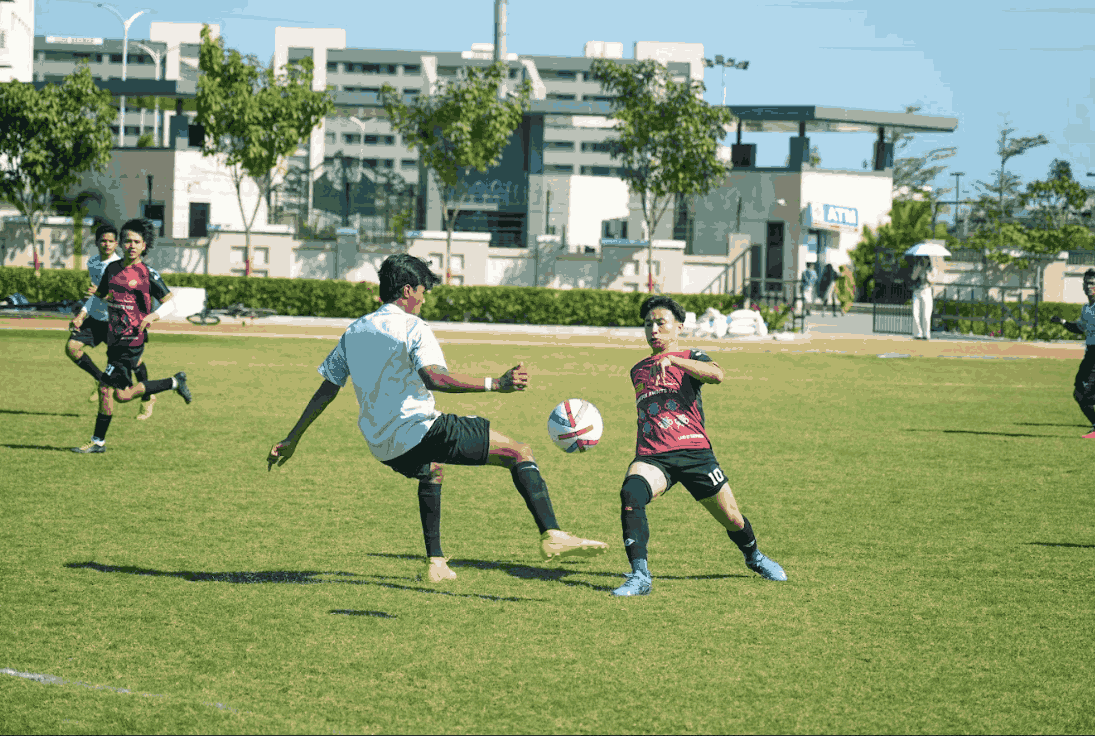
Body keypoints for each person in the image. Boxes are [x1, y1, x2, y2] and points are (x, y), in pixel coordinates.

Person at [266, 253, 608, 583]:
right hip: (422, 430)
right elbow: (435, 377)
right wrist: (496, 384)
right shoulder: (412, 327)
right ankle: (552, 534)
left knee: (431, 472)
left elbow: (328, 388)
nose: (424, 300)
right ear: (407, 291)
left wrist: (293, 437)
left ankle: (436, 564)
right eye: (422, 292)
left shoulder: (354, 332)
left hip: (382, 445)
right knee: (519, 452)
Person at [611, 295, 786, 597]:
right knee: (631, 492)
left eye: (661, 323)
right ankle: (640, 576)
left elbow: (717, 375)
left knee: (732, 518)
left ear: (678, 328)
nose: (653, 329)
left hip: (695, 453)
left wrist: (674, 359)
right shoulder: (637, 369)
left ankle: (755, 557)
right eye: (648, 324)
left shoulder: (692, 356)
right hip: (653, 456)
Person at [69, 218, 192, 454]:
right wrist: (82, 315)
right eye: (127, 241)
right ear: (121, 244)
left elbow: (169, 302)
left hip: (132, 340)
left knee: (105, 388)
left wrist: (150, 318)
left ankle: (97, 442)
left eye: (136, 242)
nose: (131, 246)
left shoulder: (147, 273)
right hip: (114, 337)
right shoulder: (111, 269)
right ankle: (174, 382)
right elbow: (100, 296)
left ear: (144, 246)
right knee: (123, 395)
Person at [66, 223, 159, 420]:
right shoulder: (93, 263)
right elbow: (96, 294)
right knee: (72, 347)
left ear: (117, 243)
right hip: (98, 318)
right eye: (103, 241)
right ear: (97, 242)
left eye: (111, 241)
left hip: (121, 322)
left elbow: (129, 298)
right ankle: (100, 379)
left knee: (136, 364)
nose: (107, 245)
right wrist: (82, 314)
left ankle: (147, 399)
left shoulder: (125, 264)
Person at [1051, 269, 1095, 438]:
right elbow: (1079, 328)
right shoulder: (1087, 309)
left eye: (1091, 283)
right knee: (1079, 392)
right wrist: (1062, 322)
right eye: (1086, 282)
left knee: (1085, 393)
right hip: (1090, 354)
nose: (1088, 286)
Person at [910, 255, 938, 340]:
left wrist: (927, 275)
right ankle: (917, 333)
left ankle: (926, 334)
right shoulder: (917, 267)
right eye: (922, 259)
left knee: (926, 314)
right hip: (917, 290)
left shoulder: (932, 269)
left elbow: (933, 281)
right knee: (915, 313)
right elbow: (913, 277)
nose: (924, 261)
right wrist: (919, 269)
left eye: (925, 259)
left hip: (926, 291)